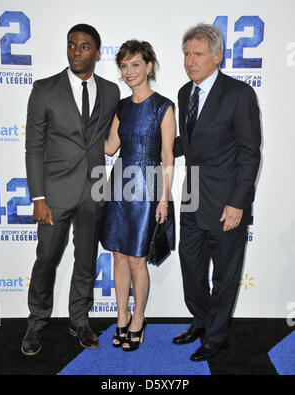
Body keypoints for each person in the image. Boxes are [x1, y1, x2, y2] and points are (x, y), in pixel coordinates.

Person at [21, 24, 120, 356]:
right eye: (72, 45)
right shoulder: (45, 89)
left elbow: (111, 140)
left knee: (86, 261)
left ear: (97, 52)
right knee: (47, 259)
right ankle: (36, 323)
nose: (77, 52)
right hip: (54, 194)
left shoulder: (110, 92)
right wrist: (38, 197)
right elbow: (34, 148)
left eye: (85, 46)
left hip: (94, 192)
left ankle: (79, 320)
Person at [173, 24, 261, 361]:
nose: (190, 61)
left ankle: (218, 336)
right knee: (191, 268)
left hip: (226, 203)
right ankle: (201, 320)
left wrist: (238, 202)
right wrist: (156, 144)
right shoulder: (184, 93)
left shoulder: (239, 94)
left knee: (225, 275)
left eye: (197, 54)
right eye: (186, 54)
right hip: (191, 197)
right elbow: (190, 144)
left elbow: (250, 153)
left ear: (217, 56)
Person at [101, 40, 176, 352]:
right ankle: (121, 316)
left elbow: (168, 157)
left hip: (147, 188)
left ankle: (138, 320)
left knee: (136, 258)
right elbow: (109, 147)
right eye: (124, 65)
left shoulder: (163, 106)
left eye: (135, 64)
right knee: (117, 254)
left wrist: (163, 199)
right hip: (119, 184)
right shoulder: (121, 106)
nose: (129, 71)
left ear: (149, 67)